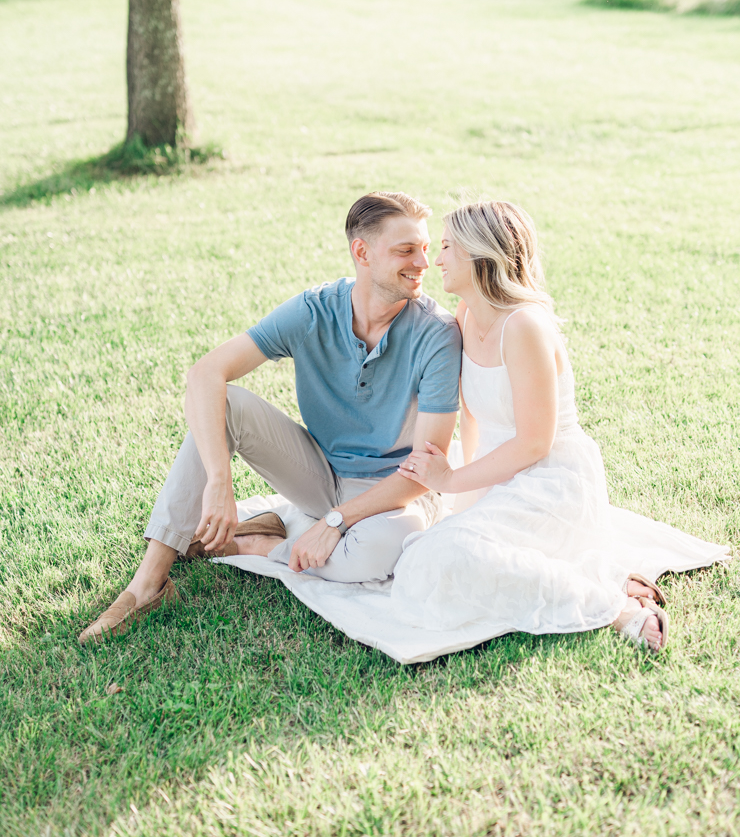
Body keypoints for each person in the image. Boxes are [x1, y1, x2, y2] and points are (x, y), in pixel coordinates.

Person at [79, 191, 461, 644]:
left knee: (379, 552)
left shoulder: (436, 336)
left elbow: (424, 471)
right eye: (406, 250)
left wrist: (335, 522)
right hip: (320, 472)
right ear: (362, 252)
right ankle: (148, 585)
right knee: (226, 401)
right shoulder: (314, 310)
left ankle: (254, 542)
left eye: (424, 247)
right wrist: (219, 481)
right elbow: (206, 373)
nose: (423, 262)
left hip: (392, 493)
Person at [394, 200, 729, 653]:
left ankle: (613, 606)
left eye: (448, 246)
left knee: (441, 557)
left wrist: (451, 478)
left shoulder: (524, 325)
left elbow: (534, 442)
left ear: (479, 253)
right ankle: (599, 573)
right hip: (497, 473)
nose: (437, 259)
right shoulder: (466, 314)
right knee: (427, 557)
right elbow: (472, 417)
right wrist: (462, 501)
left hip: (551, 478)